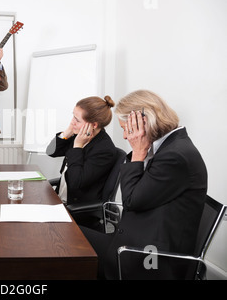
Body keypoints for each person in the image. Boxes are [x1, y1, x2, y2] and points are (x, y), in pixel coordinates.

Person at [80, 89, 208, 279]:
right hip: (136, 241)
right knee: (68, 234)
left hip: (147, 257)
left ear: (144, 123)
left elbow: (132, 200)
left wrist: (139, 152)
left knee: (66, 245)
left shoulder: (175, 155)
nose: (125, 136)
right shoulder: (168, 147)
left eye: (126, 128)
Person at [46, 96, 118, 210]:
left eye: (77, 120)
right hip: (60, 201)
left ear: (93, 125)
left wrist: (77, 147)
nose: (72, 122)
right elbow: (50, 151)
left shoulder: (104, 150)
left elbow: (75, 182)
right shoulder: (79, 135)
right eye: (73, 116)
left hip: (76, 210)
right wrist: (66, 133)